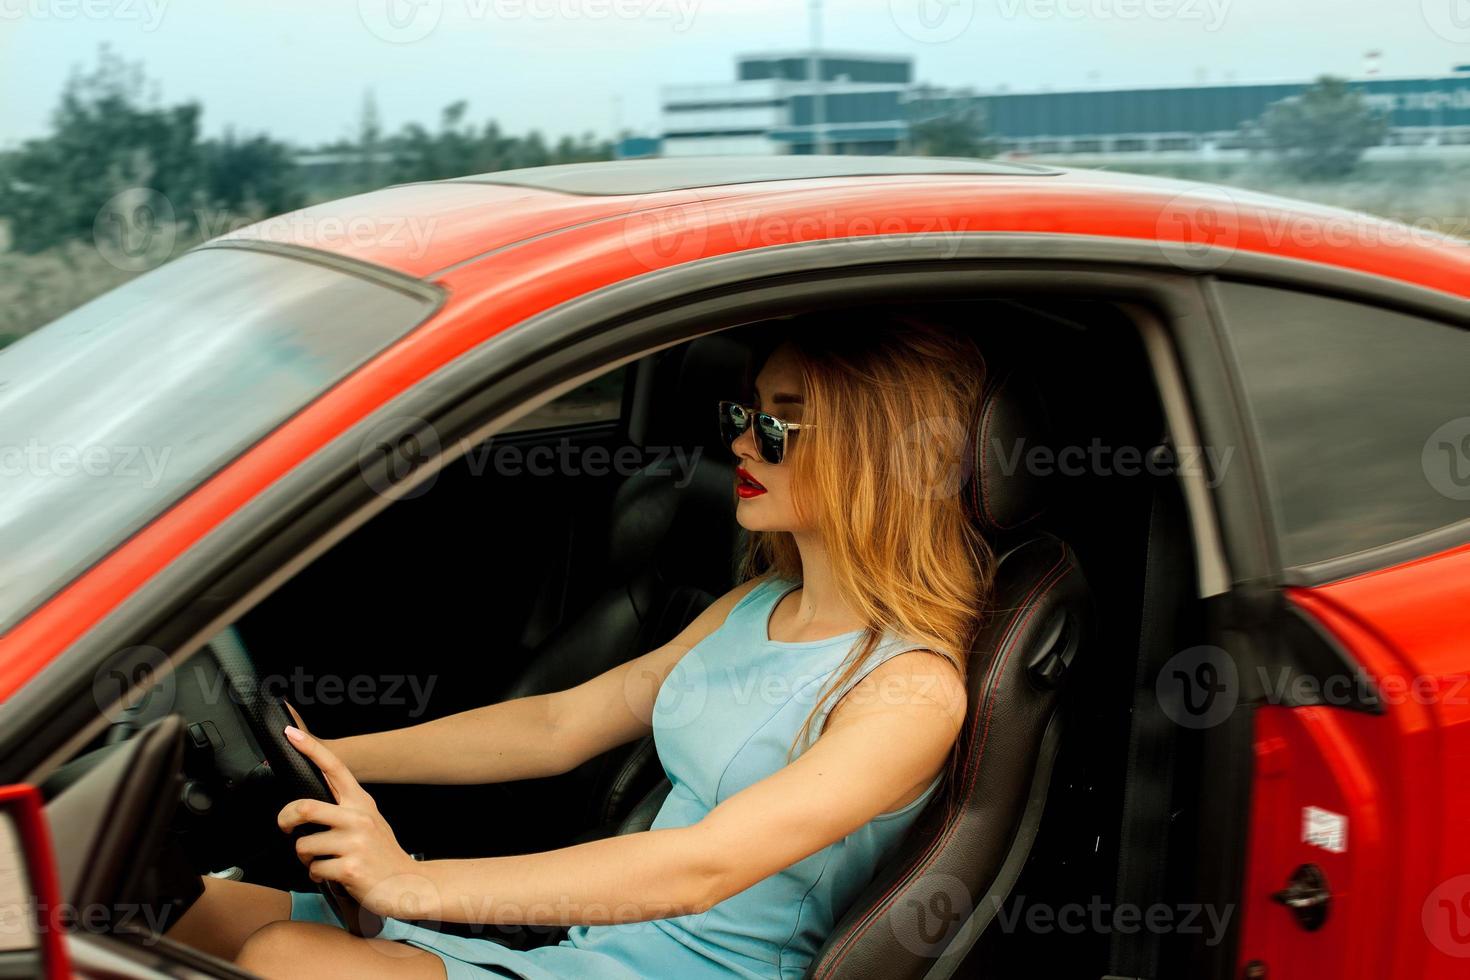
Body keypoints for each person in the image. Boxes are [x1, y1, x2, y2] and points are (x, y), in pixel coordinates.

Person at [166, 315, 995, 979]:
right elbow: (557, 728)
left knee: (283, 957)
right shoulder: (757, 605)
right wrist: (320, 751)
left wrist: (413, 881)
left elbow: (701, 868)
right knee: (177, 904)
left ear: (879, 459)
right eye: (745, 414)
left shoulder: (911, 692)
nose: (743, 442)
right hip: (588, 948)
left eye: (778, 425)